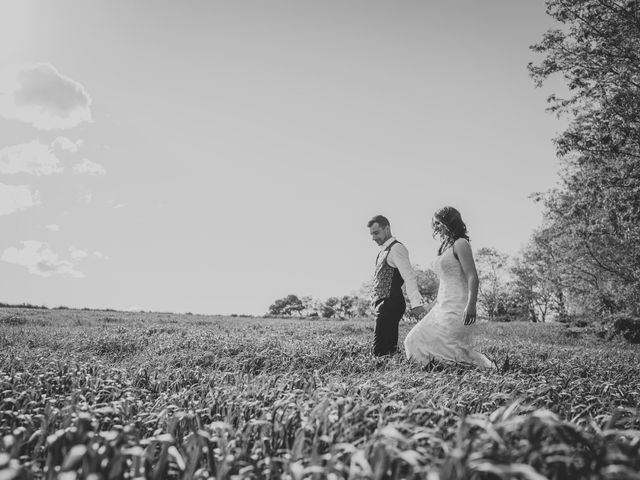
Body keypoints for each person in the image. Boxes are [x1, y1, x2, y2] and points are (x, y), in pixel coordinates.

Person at [404, 207, 495, 369]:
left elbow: (472, 276)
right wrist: (431, 305)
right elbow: (446, 283)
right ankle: (441, 371)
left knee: (450, 347)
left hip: (458, 306)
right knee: (413, 340)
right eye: (435, 224)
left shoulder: (461, 244)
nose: (436, 227)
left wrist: (471, 304)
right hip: (442, 306)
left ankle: (478, 369)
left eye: (438, 223)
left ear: (449, 221)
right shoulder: (445, 248)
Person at [368, 215, 426, 356]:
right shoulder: (382, 252)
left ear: (387, 228)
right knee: (386, 350)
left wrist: (416, 304)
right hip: (382, 303)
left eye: (376, 233)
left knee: (380, 351)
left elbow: (409, 276)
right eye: (371, 234)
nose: (373, 238)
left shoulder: (397, 248)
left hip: (390, 302)